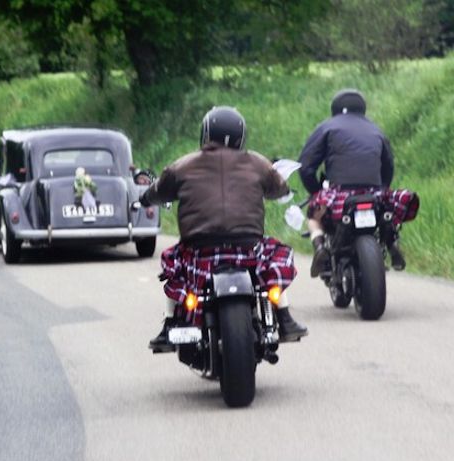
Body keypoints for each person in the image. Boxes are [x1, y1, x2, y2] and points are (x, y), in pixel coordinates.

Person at [140, 106, 308, 349]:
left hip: (200, 249)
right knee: (271, 263)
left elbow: (157, 192)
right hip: (247, 245)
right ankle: (285, 317)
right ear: (242, 136)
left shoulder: (183, 166)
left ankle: (170, 324)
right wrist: (283, 191)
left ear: (205, 133)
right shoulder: (258, 164)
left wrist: (146, 198)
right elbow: (279, 188)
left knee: (175, 268)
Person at [299, 89, 420, 276]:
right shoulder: (376, 129)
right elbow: (388, 167)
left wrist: (316, 192)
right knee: (386, 212)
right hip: (373, 193)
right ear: (362, 108)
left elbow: (306, 167)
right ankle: (392, 240)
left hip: (340, 193)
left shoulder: (327, 127)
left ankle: (320, 246)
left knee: (314, 217)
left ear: (336, 108)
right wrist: (382, 188)